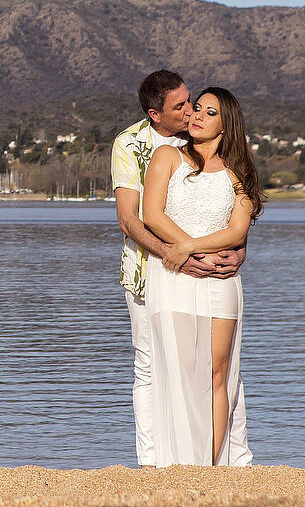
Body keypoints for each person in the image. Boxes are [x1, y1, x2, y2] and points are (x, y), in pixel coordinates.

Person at [112, 70, 246, 468]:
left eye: (195, 103)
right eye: (183, 106)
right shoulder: (133, 145)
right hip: (149, 270)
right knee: (153, 367)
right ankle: (154, 463)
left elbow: (234, 218)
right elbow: (133, 219)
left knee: (223, 373)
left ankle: (229, 461)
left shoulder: (228, 160)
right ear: (156, 114)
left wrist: (237, 250)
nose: (191, 112)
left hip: (212, 272)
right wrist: (183, 255)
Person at [141, 87, 265, 466]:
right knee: (179, 373)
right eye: (196, 108)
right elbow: (152, 215)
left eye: (209, 112)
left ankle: (209, 467)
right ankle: (177, 463)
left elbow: (236, 231)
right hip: (176, 277)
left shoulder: (239, 172)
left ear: (226, 124)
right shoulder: (167, 157)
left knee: (217, 374)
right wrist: (189, 250)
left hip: (221, 282)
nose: (196, 116)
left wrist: (193, 246)